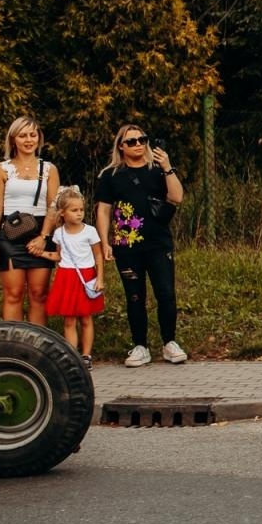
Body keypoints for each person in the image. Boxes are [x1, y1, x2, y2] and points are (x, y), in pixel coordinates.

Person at [95, 124, 186, 368]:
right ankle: (140, 345)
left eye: (142, 139)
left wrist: (167, 167)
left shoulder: (157, 169)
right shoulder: (111, 175)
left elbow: (177, 197)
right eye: (131, 141)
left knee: (166, 293)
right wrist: (104, 242)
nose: (138, 144)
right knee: (134, 296)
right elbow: (103, 210)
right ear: (121, 146)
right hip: (127, 244)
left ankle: (170, 342)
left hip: (158, 242)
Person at [0, 116, 60, 325]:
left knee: (39, 294)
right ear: (13, 139)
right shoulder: (2, 169)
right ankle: (13, 341)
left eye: (33, 135)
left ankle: (36, 343)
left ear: (39, 138)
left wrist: (44, 237)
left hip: (40, 232)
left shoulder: (49, 169)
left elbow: (53, 207)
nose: (28, 140)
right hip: (10, 233)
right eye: (23, 135)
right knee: (13, 294)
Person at [44, 186, 104, 366]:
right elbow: (59, 256)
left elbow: (98, 255)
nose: (79, 214)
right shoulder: (59, 233)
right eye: (74, 210)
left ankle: (86, 356)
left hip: (86, 276)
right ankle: (73, 357)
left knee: (86, 317)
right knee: (69, 319)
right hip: (66, 277)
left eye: (81, 210)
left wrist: (100, 278)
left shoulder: (90, 231)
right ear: (62, 213)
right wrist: (41, 253)